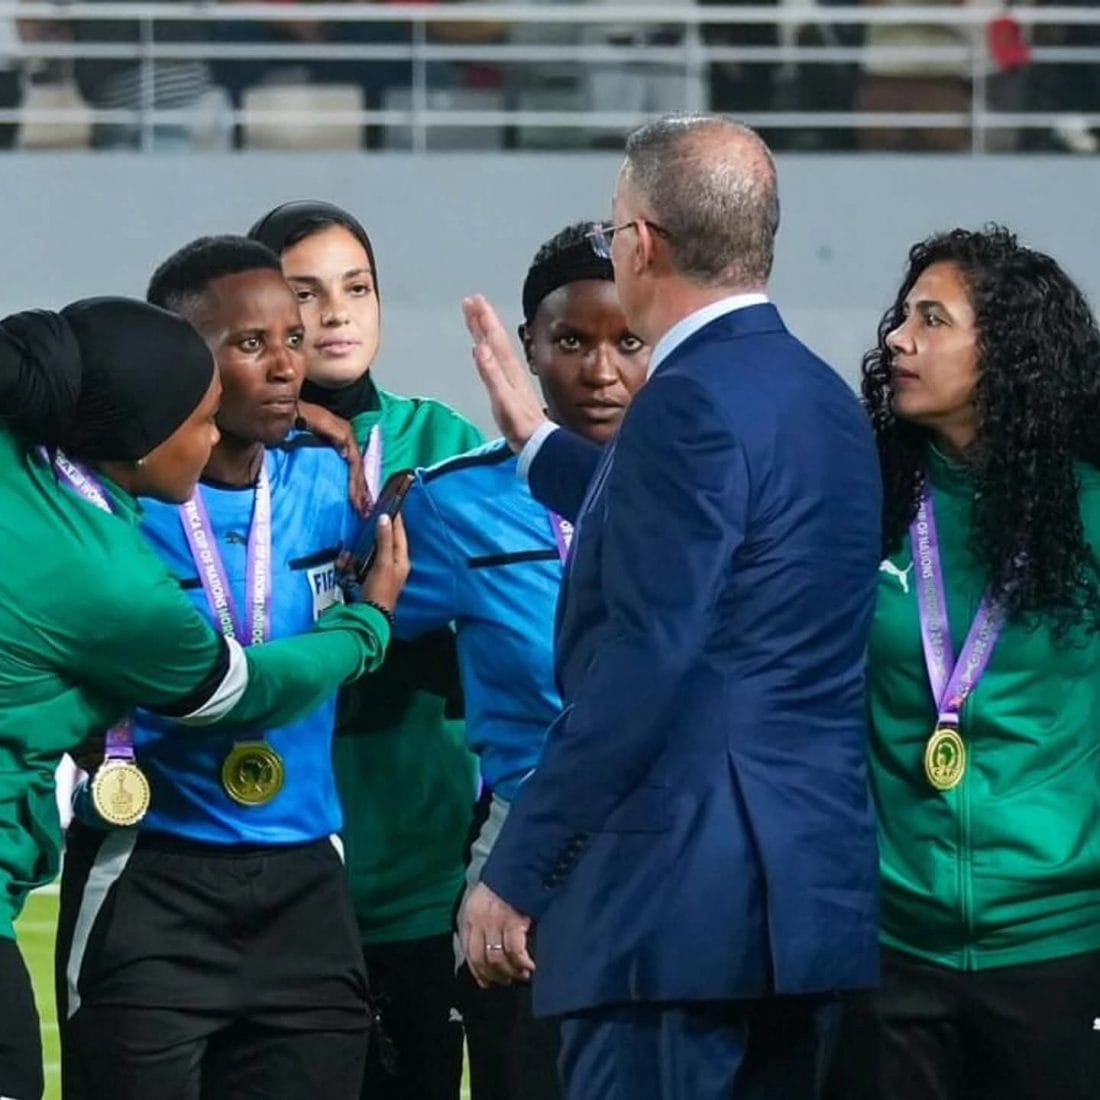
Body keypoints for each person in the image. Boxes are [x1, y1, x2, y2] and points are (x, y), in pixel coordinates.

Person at [458, 113, 883, 1099]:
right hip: (807, 904)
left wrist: (517, 869)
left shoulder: (681, 402)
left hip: (673, 910)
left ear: (643, 243)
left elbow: (647, 658)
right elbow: (712, 548)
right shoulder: (824, 398)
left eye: (614, 228)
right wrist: (536, 447)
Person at [0, 296, 406, 1100]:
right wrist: (369, 624)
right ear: (143, 440)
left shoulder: (20, 456)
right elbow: (239, 690)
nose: (217, 438)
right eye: (204, 420)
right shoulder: (113, 583)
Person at [823, 226, 1100, 1100]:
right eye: (903, 317)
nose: (898, 340)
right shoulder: (866, 502)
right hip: (891, 946)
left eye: (932, 320)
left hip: (1061, 945)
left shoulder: (1091, 514)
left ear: (1007, 353)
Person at [395, 221, 649, 1100]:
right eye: (572, 342)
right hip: (526, 850)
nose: (602, 371)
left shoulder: (717, 483)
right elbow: (369, 635)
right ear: (529, 345)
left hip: (679, 839)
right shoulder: (451, 504)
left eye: (630, 342)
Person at [249, 200, 484, 1100]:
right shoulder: (228, 457)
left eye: (357, 288)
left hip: (419, 868)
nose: (337, 313)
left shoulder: (442, 446)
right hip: (274, 859)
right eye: (305, 293)